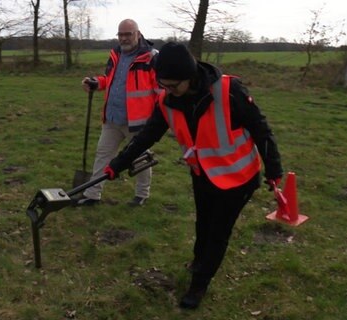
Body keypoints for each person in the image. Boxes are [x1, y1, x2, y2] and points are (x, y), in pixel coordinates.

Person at [103, 42, 284, 309]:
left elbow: (261, 130)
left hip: (239, 178)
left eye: (173, 85)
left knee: (218, 233)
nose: (168, 91)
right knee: (203, 224)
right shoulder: (167, 101)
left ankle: (199, 284)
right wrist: (117, 164)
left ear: (190, 76)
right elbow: (147, 136)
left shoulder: (228, 92)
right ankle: (199, 262)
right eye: (163, 85)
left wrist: (274, 171)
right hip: (202, 174)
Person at [75, 19, 160, 207]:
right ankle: (92, 195)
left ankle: (141, 194)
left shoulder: (151, 58)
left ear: (138, 33)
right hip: (112, 118)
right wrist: (97, 83)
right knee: (102, 155)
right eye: (120, 34)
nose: (123, 38)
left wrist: (158, 120)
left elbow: (161, 91)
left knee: (139, 157)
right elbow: (111, 79)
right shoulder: (115, 54)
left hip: (137, 122)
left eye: (128, 34)